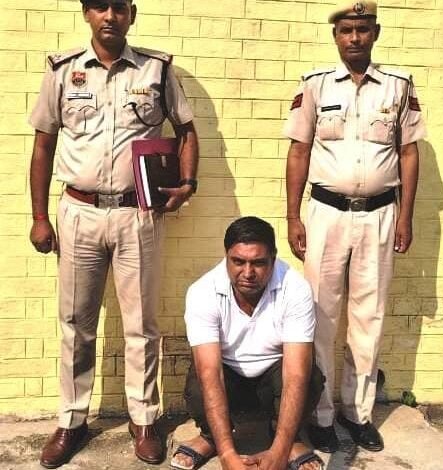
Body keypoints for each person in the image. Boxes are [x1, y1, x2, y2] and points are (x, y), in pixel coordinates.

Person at [28, 1, 199, 468]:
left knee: (141, 323)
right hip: (79, 212)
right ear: (87, 13)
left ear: (132, 14)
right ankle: (71, 420)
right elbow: (43, 144)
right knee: (75, 322)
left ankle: (144, 420)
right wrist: (40, 216)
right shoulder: (63, 71)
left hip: (137, 214)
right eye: (100, 6)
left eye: (119, 7)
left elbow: (186, 130)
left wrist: (187, 184)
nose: (110, 16)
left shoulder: (156, 70)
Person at [284, 0, 426, 454]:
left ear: (375, 33)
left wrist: (405, 215)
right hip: (326, 213)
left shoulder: (398, 86)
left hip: (380, 215)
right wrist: (292, 215)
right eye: (346, 30)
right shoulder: (315, 84)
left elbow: (408, 153)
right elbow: (299, 151)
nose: (355, 38)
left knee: (369, 315)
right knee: (321, 315)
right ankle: (321, 414)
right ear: (336, 35)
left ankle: (358, 414)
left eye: (363, 29)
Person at [171, 217, 325, 470]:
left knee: (310, 378)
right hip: (229, 380)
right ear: (226, 257)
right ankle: (212, 438)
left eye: (259, 263)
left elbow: (296, 373)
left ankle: (286, 439)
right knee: (199, 382)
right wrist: (227, 455)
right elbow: (210, 373)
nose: (248, 273)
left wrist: (279, 453)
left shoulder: (295, 288)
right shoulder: (203, 291)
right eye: (238, 261)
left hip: (273, 379)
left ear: (273, 259)